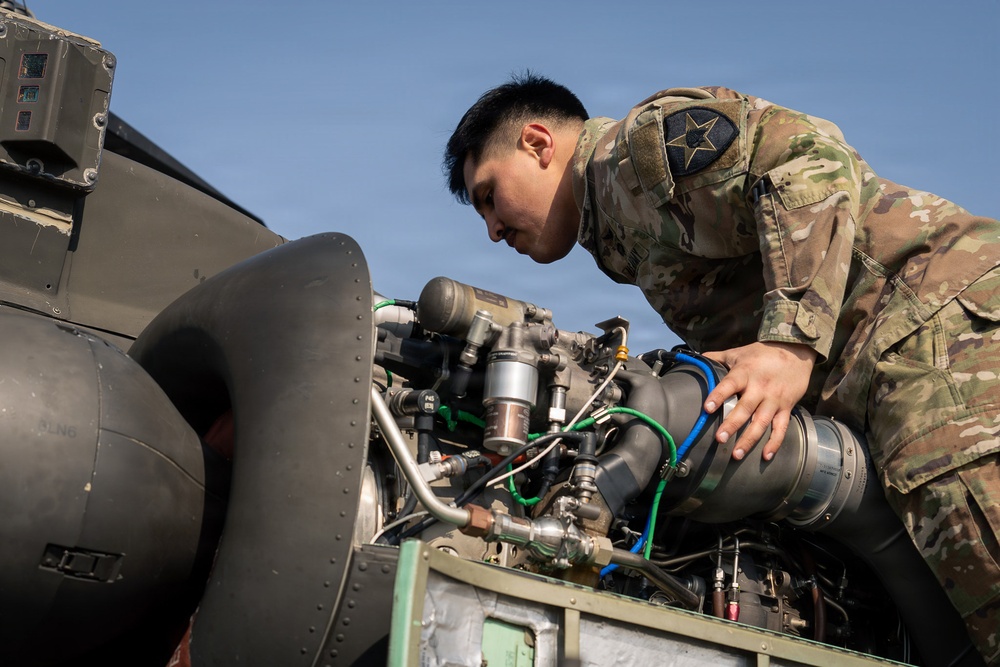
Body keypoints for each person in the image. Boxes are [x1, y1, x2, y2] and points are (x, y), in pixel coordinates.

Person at [444, 73, 1000, 664]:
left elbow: (809, 158)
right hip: (882, 360)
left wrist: (790, 343)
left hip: (935, 325)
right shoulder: (614, 231)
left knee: (970, 536)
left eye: (488, 196)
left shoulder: (635, 154)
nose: (493, 229)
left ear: (537, 143)